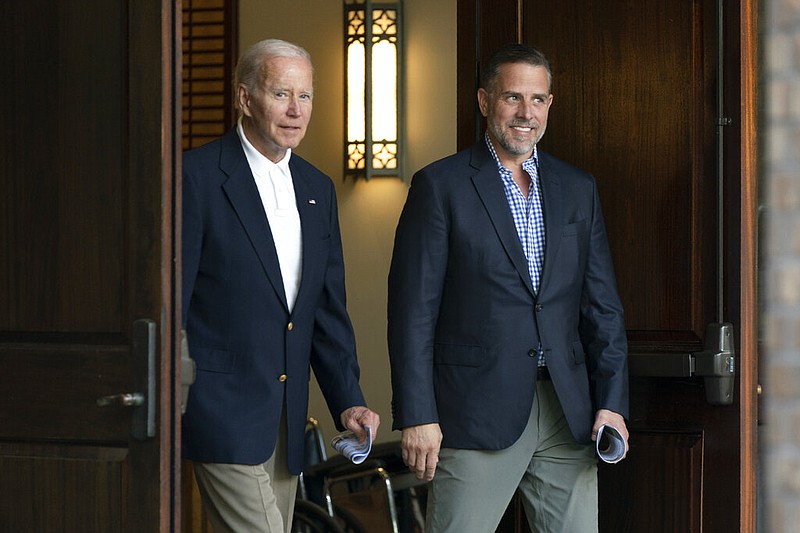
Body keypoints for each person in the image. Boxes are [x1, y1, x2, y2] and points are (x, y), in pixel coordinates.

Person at [387, 43, 628, 532]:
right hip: (474, 409)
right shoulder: (440, 186)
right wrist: (417, 414)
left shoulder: (577, 188)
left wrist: (613, 402)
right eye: (512, 97)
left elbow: (602, 306)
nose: (526, 113)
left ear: (550, 104)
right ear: (483, 101)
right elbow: (412, 311)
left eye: (538, 100)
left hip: (567, 412)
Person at [182, 38, 380, 533]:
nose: (296, 111)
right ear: (245, 98)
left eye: (306, 96)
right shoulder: (195, 177)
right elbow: (172, 304)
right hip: (220, 414)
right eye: (281, 94)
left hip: (287, 421)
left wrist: (348, 400)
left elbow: (326, 311)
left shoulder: (317, 188)